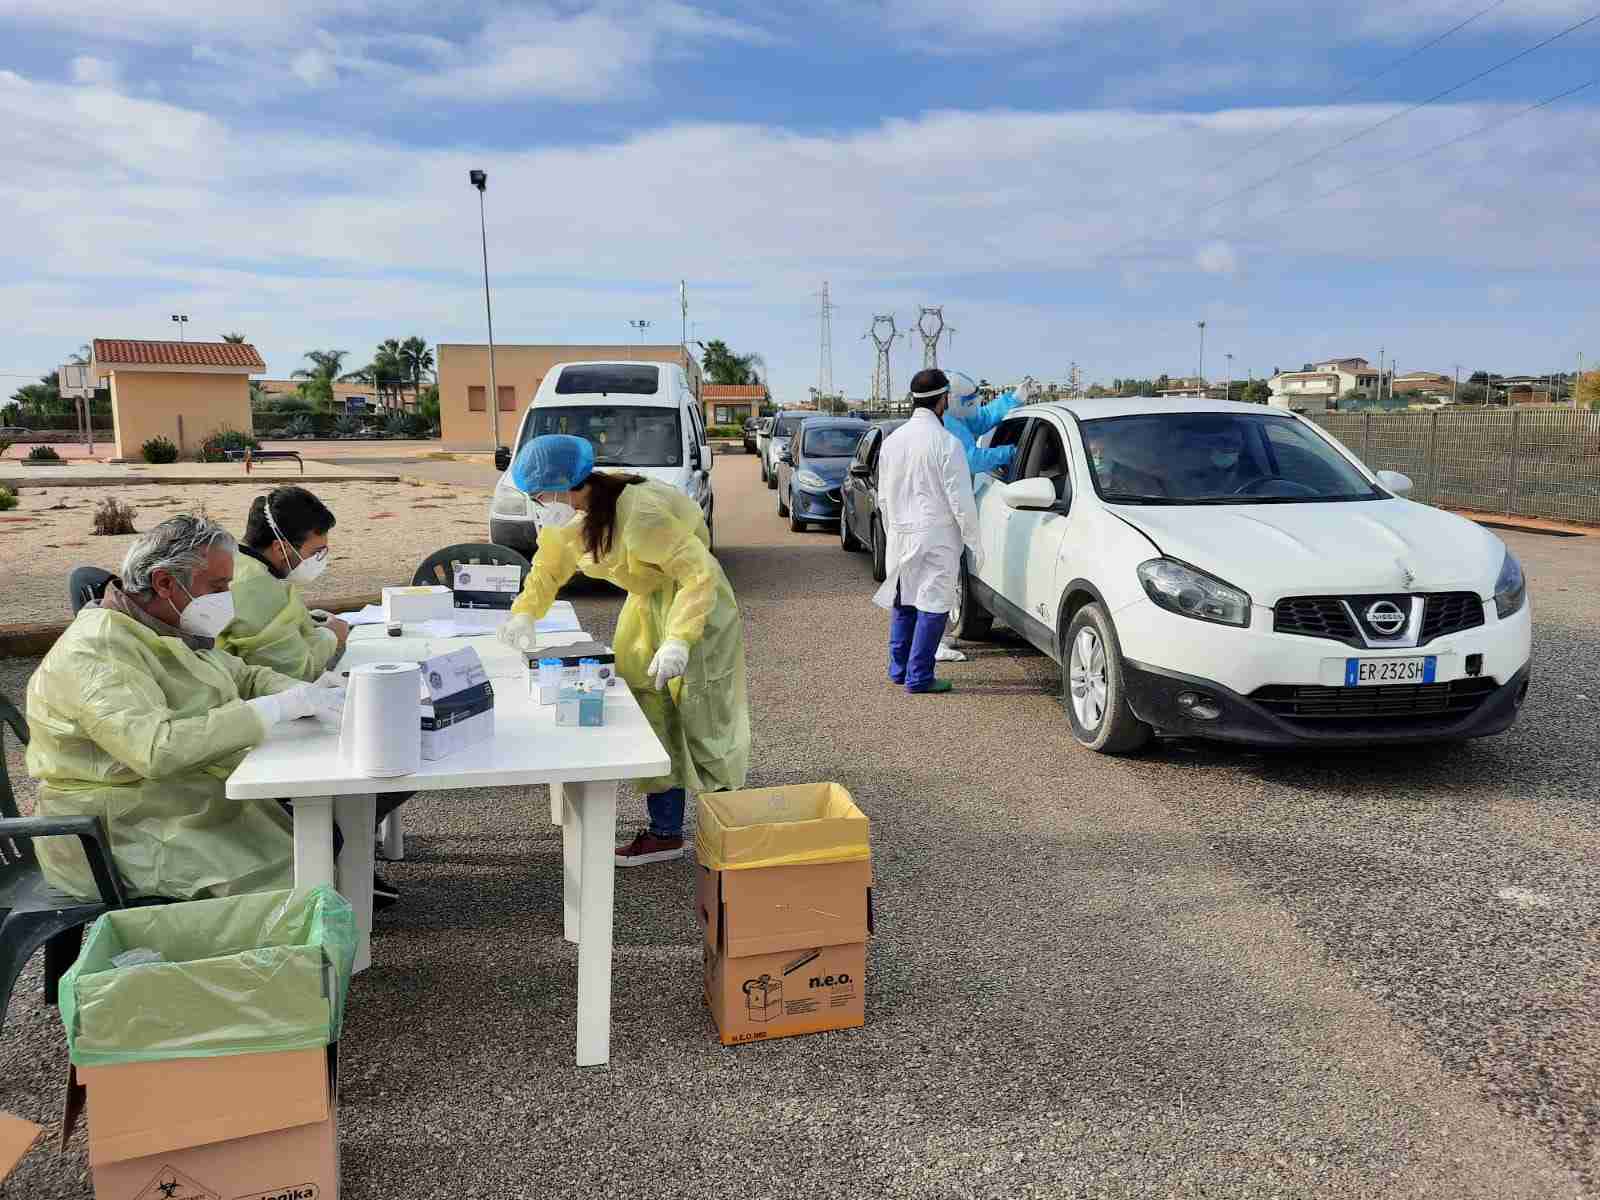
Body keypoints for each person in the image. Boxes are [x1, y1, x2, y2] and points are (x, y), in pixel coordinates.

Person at [25, 515, 346, 902]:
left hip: (172, 799)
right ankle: (282, 954)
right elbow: (157, 749)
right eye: (218, 586)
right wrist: (271, 710)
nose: (227, 597)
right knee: (291, 875)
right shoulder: (98, 650)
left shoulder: (162, 625)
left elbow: (244, 676)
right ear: (164, 582)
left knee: (314, 843)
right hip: (119, 830)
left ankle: (312, 944)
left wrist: (304, 693)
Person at [497, 435, 750, 867]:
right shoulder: (571, 516)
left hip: (697, 608)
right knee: (652, 712)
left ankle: (729, 834)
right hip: (647, 605)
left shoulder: (640, 513)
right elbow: (548, 566)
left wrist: (679, 640)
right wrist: (524, 613)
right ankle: (666, 832)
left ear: (565, 486)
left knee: (705, 716)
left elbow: (698, 574)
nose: (538, 505)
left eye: (539, 495)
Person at [218, 486, 405, 908]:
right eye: (317, 548)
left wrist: (317, 626)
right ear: (284, 547)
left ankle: (346, 845)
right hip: (259, 723)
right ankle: (341, 856)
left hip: (262, 703)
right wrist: (331, 634)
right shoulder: (254, 587)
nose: (324, 556)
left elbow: (284, 634)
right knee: (388, 750)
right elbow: (293, 669)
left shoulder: (260, 573)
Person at [872, 369, 983, 695]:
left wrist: (894, 530)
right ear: (943, 400)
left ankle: (900, 668)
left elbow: (882, 497)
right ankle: (919, 677)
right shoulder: (946, 443)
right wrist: (974, 542)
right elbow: (961, 500)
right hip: (936, 537)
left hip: (902, 534)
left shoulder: (892, 443)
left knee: (904, 601)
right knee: (933, 605)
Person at [932, 372, 1037, 662]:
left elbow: (983, 418)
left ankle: (935, 640)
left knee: (942, 580)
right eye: (968, 399)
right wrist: (1008, 452)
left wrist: (1013, 399)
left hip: (951, 510)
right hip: (943, 513)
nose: (974, 403)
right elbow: (970, 459)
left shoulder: (959, 418)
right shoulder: (948, 426)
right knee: (937, 583)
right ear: (949, 400)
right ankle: (934, 643)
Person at [218, 487, 347, 680]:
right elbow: (291, 673)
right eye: (315, 553)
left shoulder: (240, 562)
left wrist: (308, 621)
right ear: (280, 549)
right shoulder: (256, 586)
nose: (319, 560)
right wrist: (331, 637)